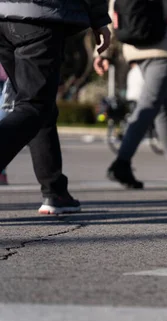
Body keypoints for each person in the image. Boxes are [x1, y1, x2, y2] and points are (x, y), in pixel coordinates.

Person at [0, 0, 111, 213]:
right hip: (39, 16)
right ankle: (54, 192)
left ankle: (55, 191)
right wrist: (99, 19)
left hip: (3, 16)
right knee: (34, 106)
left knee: (40, 108)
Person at [95, 0, 167, 189]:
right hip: (164, 48)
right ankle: (121, 163)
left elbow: (111, 15)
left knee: (161, 108)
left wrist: (102, 53)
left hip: (135, 47)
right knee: (149, 105)